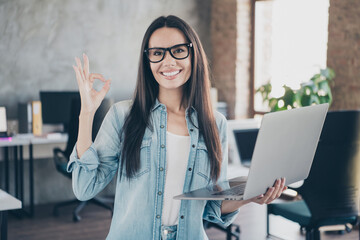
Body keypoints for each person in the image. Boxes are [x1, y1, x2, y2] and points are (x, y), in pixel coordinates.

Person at [68, 15, 286, 240]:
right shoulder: (123, 116)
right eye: (157, 53)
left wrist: (251, 196)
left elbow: (213, 207)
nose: (168, 61)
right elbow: (85, 188)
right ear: (147, 60)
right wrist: (87, 113)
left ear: (193, 55)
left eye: (179, 50)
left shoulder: (215, 124)